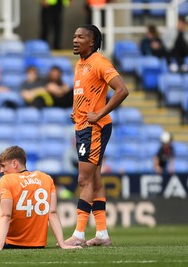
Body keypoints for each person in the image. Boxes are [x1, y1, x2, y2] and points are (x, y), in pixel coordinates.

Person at [65, 24, 129, 247]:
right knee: (95, 179)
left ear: (91, 42)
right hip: (84, 126)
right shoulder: (81, 63)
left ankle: (79, 234)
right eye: (74, 36)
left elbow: (122, 90)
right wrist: (78, 112)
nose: (75, 39)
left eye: (80, 36)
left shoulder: (100, 63)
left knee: (84, 179)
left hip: (95, 128)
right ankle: (102, 234)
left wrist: (98, 113)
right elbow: (86, 94)